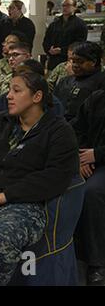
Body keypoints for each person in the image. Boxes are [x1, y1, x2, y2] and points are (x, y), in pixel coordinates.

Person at [0, 67, 79, 286]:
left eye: (16, 90)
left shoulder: (59, 131)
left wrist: (5, 196)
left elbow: (55, 177)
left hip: (24, 203)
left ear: (37, 96)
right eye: (8, 90)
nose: (8, 96)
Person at [71, 89, 105, 286]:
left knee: (92, 192)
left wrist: (97, 155)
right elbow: (77, 128)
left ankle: (97, 262)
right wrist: (80, 156)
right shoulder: (97, 97)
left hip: (99, 159)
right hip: (88, 160)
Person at [53, 41, 105, 121]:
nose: (75, 65)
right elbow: (53, 105)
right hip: (60, 127)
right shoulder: (65, 81)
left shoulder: (101, 82)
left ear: (93, 62)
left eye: (80, 62)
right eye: (73, 61)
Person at [43, 0, 88, 71]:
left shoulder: (80, 24)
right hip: (53, 61)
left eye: (68, 5)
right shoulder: (54, 24)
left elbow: (80, 44)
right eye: (63, 5)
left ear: (74, 7)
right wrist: (49, 50)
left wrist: (62, 50)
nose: (65, 7)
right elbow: (46, 40)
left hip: (69, 60)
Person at [0, 42, 32, 108]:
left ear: (27, 56)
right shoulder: (4, 79)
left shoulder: (34, 79)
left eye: (15, 55)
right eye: (9, 56)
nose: (11, 59)